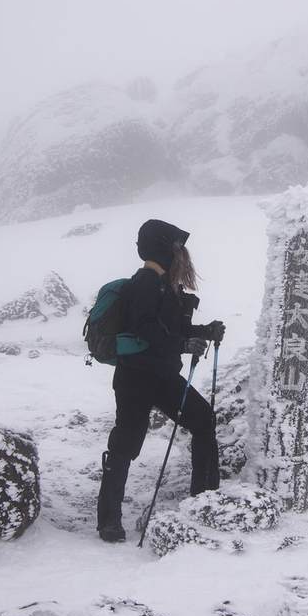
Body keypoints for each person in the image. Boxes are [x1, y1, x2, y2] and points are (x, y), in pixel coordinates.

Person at [95, 218, 226, 543]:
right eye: (178, 247)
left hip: (163, 376)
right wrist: (183, 344)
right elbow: (145, 329)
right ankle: (109, 520)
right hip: (136, 378)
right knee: (126, 444)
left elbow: (170, 329)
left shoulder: (167, 286)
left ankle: (204, 499)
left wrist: (204, 331)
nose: (183, 253)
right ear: (163, 249)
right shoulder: (145, 283)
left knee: (203, 420)